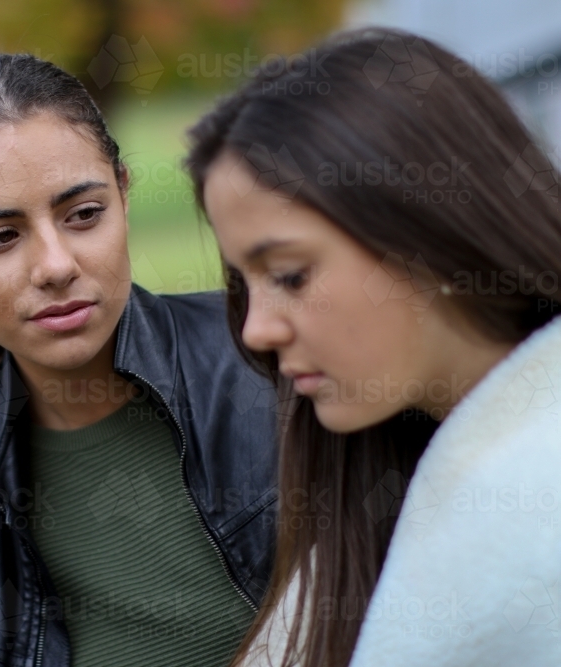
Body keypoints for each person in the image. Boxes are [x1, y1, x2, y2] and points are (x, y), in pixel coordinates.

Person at [0, 53, 280, 667]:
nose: (55, 265)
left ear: (123, 192)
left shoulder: (275, 360)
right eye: (0, 237)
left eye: (84, 215)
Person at [185, 28, 561, 667]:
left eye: (290, 275)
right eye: (243, 285)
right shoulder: (369, 496)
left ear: (431, 230)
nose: (255, 330)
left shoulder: (530, 507)